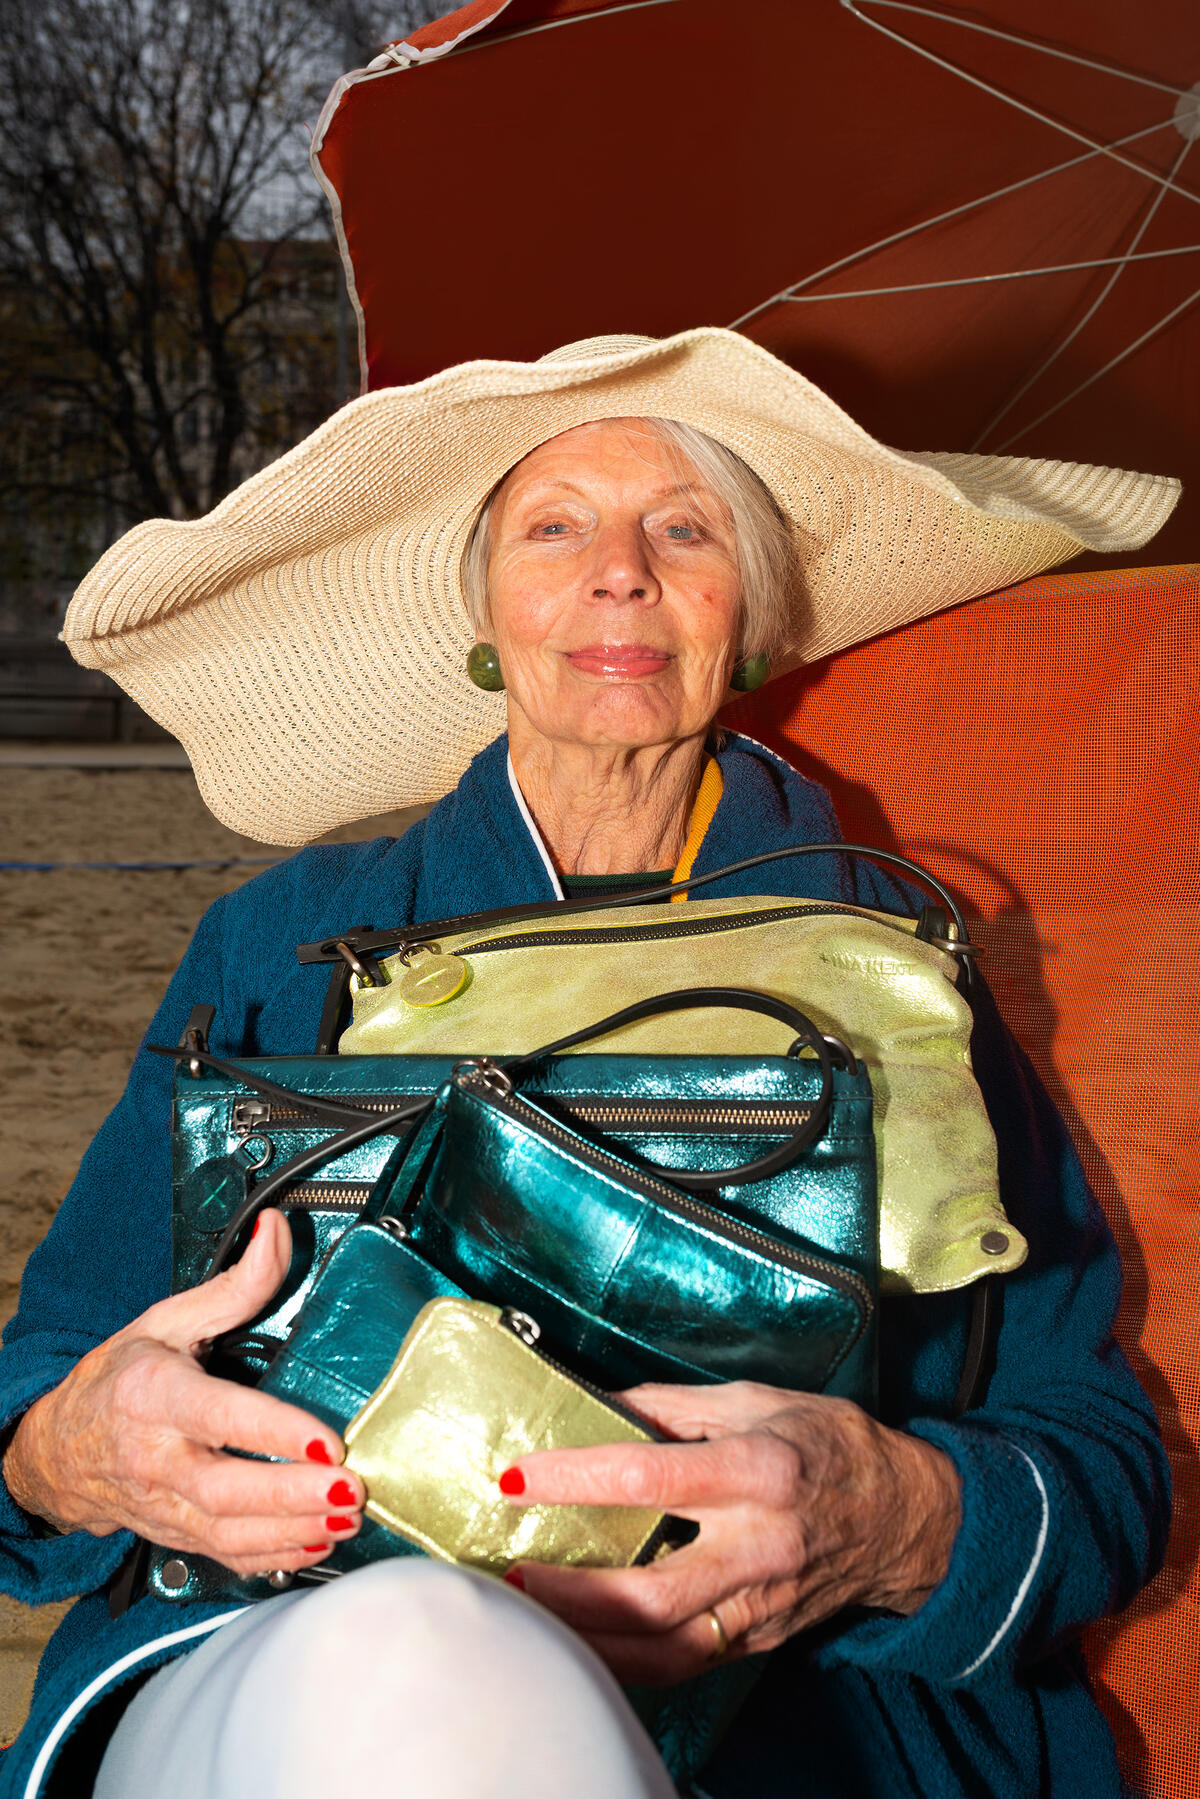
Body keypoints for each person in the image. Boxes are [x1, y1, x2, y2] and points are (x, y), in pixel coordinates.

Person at [0, 331, 1177, 1799]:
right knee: (412, 1655)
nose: (620, 568)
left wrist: (896, 1515)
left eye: (683, 527)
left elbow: (1100, 1454)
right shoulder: (279, 943)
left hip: (811, 1724)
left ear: (742, 616)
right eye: (555, 526)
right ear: (486, 614)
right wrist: (81, 1447)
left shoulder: (889, 966)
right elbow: (42, 1392)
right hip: (286, 1657)